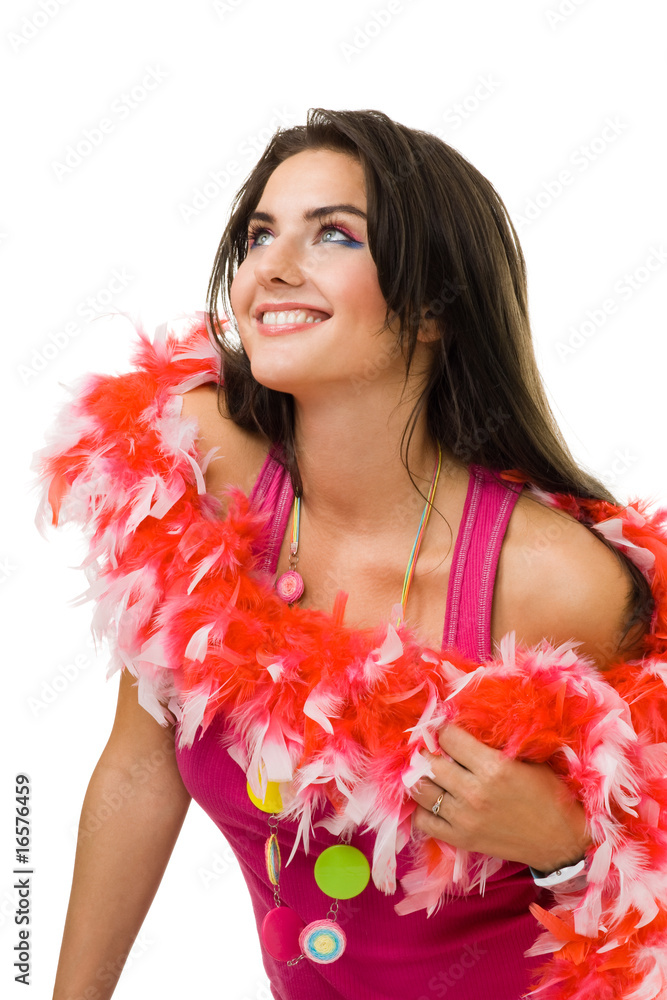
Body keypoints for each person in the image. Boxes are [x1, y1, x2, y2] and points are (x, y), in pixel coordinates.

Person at [36, 108, 667, 1000]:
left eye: (334, 233)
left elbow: (644, 908)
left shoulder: (552, 583)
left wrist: (565, 848)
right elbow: (142, 766)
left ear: (433, 310)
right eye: (260, 234)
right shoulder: (192, 468)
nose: (273, 266)